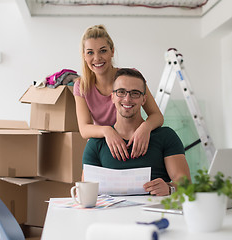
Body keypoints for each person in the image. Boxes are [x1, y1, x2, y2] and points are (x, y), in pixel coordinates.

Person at [82, 68, 191, 196]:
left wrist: (170, 188)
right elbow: (85, 191)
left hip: (155, 213)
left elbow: (185, 184)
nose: (127, 99)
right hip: (111, 215)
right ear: (112, 97)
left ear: (144, 99)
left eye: (135, 93)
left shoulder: (166, 136)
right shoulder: (96, 143)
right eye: (121, 92)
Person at [74, 24, 164, 161]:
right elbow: (84, 129)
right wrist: (107, 131)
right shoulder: (81, 86)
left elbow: (157, 116)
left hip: (135, 142)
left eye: (103, 51)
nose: (97, 58)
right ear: (84, 56)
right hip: (105, 145)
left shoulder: (131, 77)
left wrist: (145, 127)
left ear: (112, 51)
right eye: (90, 52)